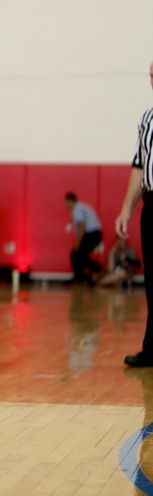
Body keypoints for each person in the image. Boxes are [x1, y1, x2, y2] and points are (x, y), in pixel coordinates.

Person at [116, 60, 153, 367]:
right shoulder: (147, 119)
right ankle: (152, 348)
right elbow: (139, 168)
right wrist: (126, 210)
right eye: (152, 75)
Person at [65, 192, 103, 285]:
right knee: (77, 255)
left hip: (92, 233)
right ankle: (80, 276)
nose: (65, 205)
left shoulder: (76, 209)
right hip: (94, 233)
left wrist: (77, 241)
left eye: (66, 202)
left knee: (78, 254)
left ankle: (97, 269)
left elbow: (82, 225)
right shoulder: (81, 207)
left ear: (70, 201)